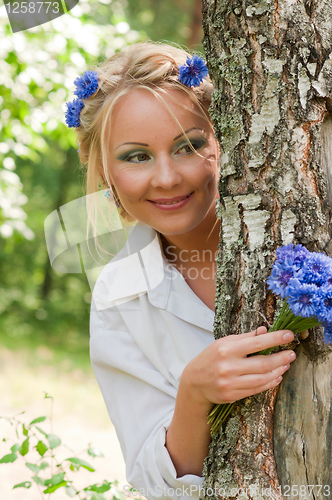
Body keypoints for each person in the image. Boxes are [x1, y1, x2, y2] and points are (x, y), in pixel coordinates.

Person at [65, 42, 297, 500]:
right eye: (136, 156)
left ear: (225, 136)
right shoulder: (119, 298)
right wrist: (194, 393)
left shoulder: (301, 220)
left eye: (188, 146)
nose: (167, 178)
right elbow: (160, 486)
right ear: (106, 171)